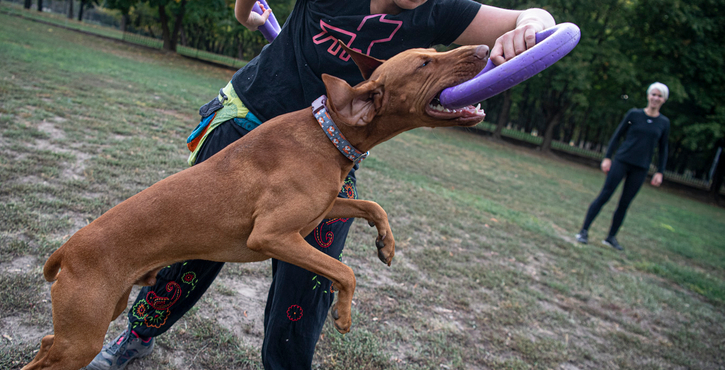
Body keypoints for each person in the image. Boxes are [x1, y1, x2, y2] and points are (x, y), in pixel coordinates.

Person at [86, 0, 555, 369]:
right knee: (189, 249)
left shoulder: (444, 11)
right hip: (250, 126)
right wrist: (242, 12)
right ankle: (138, 336)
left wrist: (530, 27)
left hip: (331, 153)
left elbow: (532, 18)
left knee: (312, 278)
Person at [575, 82, 671, 251]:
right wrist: (607, 158)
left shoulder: (664, 123)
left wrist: (660, 172)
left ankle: (611, 237)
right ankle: (583, 231)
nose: (656, 98)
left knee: (624, 203)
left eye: (659, 96)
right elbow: (617, 136)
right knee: (604, 195)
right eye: (653, 94)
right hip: (622, 161)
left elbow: (663, 149)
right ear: (648, 96)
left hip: (641, 168)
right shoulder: (634, 115)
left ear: (664, 100)